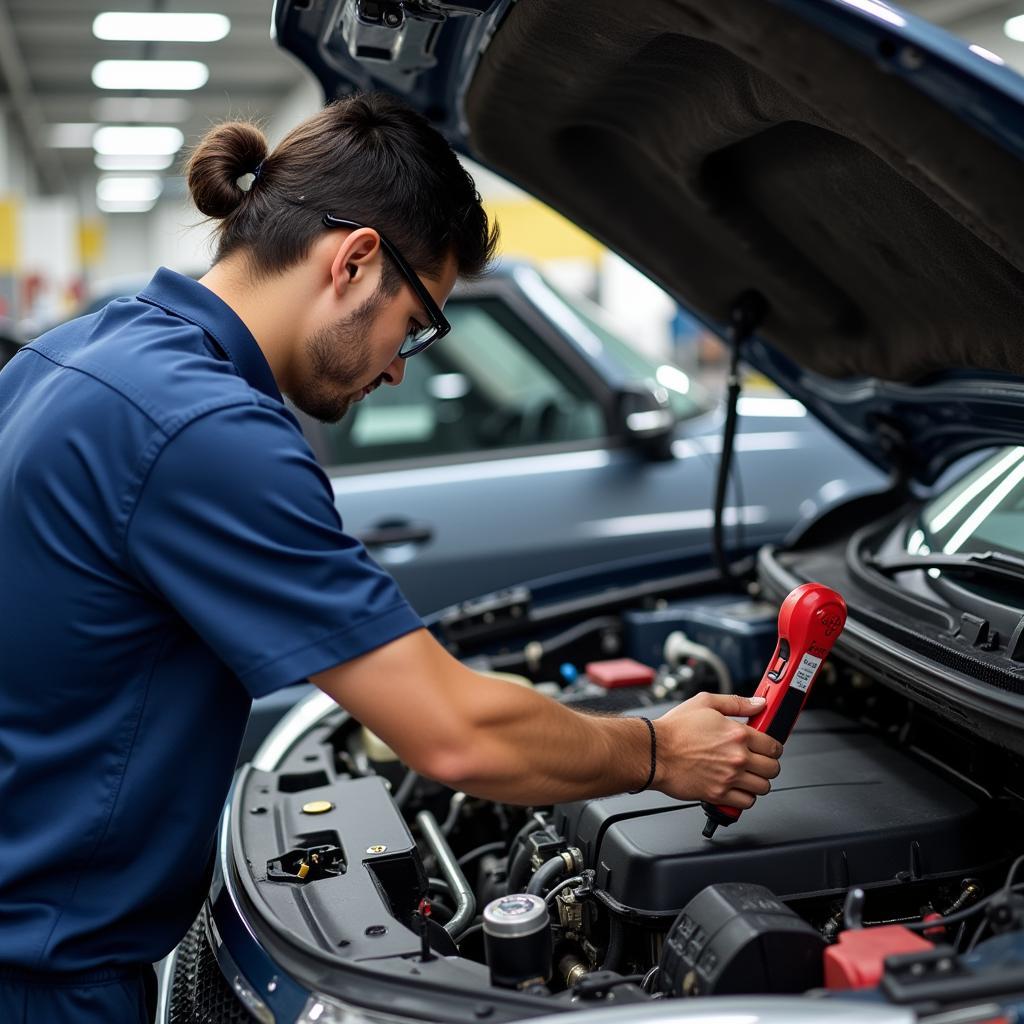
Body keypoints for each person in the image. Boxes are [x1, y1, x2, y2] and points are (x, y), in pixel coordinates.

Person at [0, 94, 781, 1023]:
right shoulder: (208, 430)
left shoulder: (73, 355)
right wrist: (656, 749)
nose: (401, 366)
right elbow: (456, 733)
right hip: (43, 980)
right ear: (356, 259)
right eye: (414, 323)